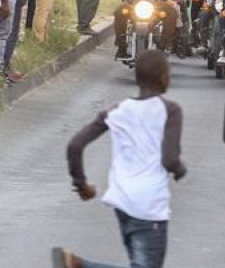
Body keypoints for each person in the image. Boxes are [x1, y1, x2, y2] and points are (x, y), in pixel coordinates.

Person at [55, 49, 186, 268]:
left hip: (123, 203)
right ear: (164, 78)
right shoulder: (170, 111)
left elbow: (75, 145)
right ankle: (79, 265)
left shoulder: (117, 111)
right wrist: (180, 170)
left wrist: (81, 185)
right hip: (149, 206)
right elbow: (170, 159)